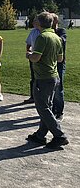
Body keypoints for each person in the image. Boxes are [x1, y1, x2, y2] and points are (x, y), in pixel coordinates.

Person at [26, 12, 69, 149]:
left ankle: (59, 135)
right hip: (53, 76)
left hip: (43, 78)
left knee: (43, 108)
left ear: (40, 23)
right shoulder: (56, 37)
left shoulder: (42, 37)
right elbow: (60, 59)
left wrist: (29, 55)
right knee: (47, 107)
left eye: (36, 20)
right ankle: (40, 135)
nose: (34, 22)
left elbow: (36, 58)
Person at [51, 13, 66, 121]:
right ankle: (52, 110)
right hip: (49, 63)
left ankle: (59, 112)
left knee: (58, 88)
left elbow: (62, 41)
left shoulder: (61, 31)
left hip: (59, 64)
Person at [23, 17, 40, 104]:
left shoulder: (45, 32)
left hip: (42, 58)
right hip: (33, 57)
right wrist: (28, 50)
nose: (33, 23)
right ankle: (33, 96)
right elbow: (29, 43)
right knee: (33, 77)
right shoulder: (33, 31)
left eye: (35, 21)